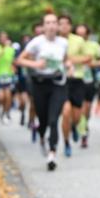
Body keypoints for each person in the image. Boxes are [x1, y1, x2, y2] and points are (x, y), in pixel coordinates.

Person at [16, 11, 71, 171]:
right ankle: (41, 135)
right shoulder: (36, 43)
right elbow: (20, 59)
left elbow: (66, 59)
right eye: (48, 23)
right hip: (39, 84)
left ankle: (52, 154)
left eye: (54, 23)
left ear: (58, 26)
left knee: (54, 119)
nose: (52, 26)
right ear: (43, 26)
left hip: (57, 83)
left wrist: (69, 65)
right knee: (44, 119)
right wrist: (36, 65)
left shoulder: (63, 43)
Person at [59, 14, 91, 158]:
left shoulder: (78, 40)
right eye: (61, 23)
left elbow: (88, 58)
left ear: (70, 26)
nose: (64, 26)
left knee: (77, 116)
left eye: (66, 23)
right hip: (60, 81)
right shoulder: (54, 41)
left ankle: (74, 126)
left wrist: (71, 60)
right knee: (65, 113)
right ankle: (66, 143)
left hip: (77, 80)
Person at [76, 24, 100, 149]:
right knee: (78, 110)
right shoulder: (70, 44)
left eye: (83, 34)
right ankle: (79, 129)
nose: (81, 37)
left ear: (87, 34)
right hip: (75, 81)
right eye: (78, 34)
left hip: (89, 81)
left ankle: (84, 130)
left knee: (86, 110)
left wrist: (92, 64)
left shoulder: (94, 46)